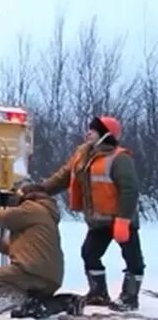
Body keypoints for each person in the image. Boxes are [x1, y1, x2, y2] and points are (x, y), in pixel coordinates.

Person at [20, 115, 144, 311]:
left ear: (105, 135)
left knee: (133, 260)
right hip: (99, 221)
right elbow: (62, 177)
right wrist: (40, 189)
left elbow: (130, 190)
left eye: (93, 131)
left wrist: (123, 220)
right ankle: (98, 293)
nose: (88, 133)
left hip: (121, 219)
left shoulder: (120, 158)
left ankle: (129, 298)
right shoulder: (82, 156)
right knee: (89, 254)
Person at [0, 181, 83, 318]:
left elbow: (1, 217)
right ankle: (62, 302)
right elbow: (21, 251)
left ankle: (21, 303)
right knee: (35, 305)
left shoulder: (32, 209)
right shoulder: (45, 212)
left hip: (35, 273)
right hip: (50, 277)